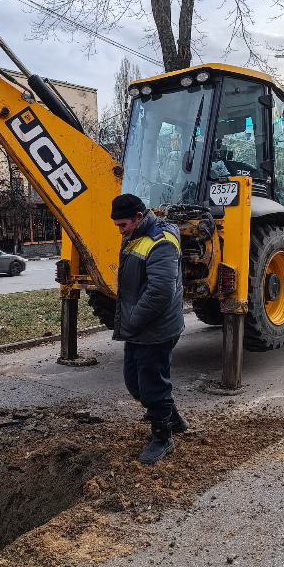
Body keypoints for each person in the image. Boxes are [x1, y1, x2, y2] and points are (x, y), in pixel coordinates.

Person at [111, 194, 188, 464]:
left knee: (152, 383)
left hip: (156, 327)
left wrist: (132, 320)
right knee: (135, 382)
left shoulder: (161, 242)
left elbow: (160, 291)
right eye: (118, 226)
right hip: (140, 325)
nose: (121, 231)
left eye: (123, 225)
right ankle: (172, 417)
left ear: (139, 218)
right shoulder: (136, 237)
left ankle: (163, 436)